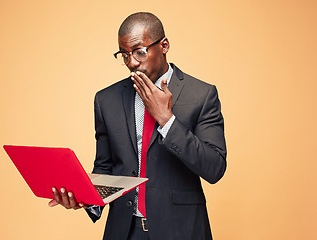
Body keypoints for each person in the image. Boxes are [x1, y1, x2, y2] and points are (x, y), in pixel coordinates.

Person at [48, 12, 227, 240]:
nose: (131, 63)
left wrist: (167, 121)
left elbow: (215, 168)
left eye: (139, 52)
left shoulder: (202, 95)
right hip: (124, 232)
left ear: (163, 45)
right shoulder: (107, 99)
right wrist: (86, 198)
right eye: (124, 55)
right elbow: (105, 166)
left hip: (181, 231)